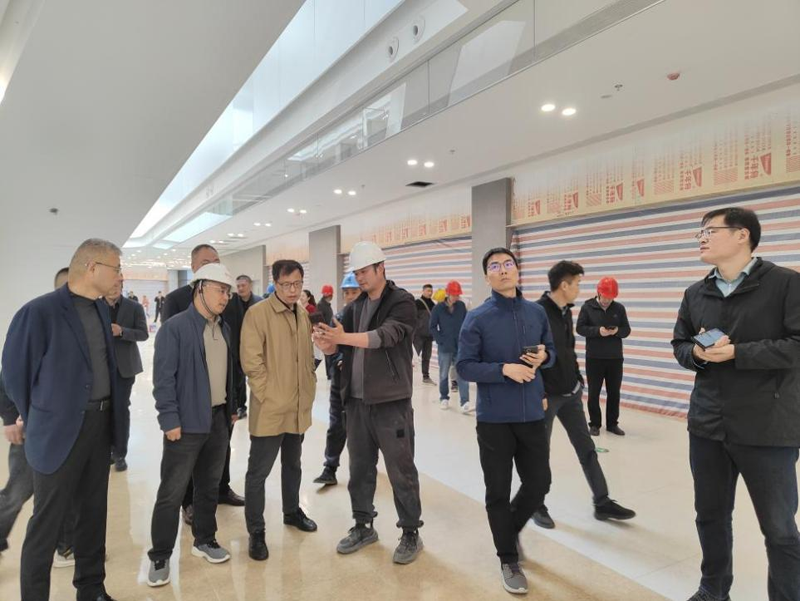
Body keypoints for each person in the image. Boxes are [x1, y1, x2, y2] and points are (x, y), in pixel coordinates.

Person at [672, 207, 800, 601]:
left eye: (710, 230)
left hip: (768, 427)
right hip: (707, 423)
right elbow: (680, 344)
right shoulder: (696, 293)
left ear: (742, 234)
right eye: (700, 232)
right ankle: (713, 590)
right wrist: (697, 354)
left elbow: (796, 345)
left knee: (779, 528)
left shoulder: (786, 284)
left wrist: (737, 353)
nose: (702, 238)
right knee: (710, 516)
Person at [2, 239, 125, 601]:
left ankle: (91, 589)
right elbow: (14, 375)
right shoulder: (39, 312)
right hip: (57, 431)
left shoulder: (101, 309)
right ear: (92, 267)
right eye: (116, 268)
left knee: (93, 514)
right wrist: (37, 415)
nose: (120, 276)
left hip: (99, 426)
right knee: (47, 522)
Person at [314, 241, 423, 565]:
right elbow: (341, 347)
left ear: (381, 268)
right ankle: (363, 526)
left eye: (364, 271)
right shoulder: (355, 307)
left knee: (401, 470)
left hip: (391, 402)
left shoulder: (401, 301)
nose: (359, 278)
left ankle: (410, 532)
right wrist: (328, 344)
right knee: (359, 469)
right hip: (357, 402)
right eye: (356, 272)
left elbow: (386, 336)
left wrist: (342, 338)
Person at [457, 247, 555, 595]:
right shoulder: (477, 318)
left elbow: (551, 351)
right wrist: (503, 370)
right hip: (494, 419)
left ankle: (507, 531)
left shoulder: (536, 312)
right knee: (497, 489)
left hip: (532, 414)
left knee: (539, 483)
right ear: (487, 276)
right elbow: (464, 366)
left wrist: (543, 356)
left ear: (517, 270)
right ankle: (508, 559)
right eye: (495, 266)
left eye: (508, 264)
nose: (503, 270)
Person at [147, 263, 238, 587]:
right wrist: (169, 419)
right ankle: (160, 555)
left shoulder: (223, 328)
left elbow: (228, 372)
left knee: (209, 486)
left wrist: (231, 408)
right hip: (184, 424)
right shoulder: (175, 328)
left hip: (218, 420)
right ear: (199, 288)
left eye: (227, 292)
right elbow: (163, 379)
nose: (225, 297)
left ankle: (205, 539)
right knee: (171, 493)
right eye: (220, 290)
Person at [532, 261, 635, 531]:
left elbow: (568, 349)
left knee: (587, 449)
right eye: (577, 283)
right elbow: (530, 356)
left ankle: (602, 502)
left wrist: (577, 379)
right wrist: (538, 392)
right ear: (564, 285)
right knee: (539, 453)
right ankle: (535, 504)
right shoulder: (537, 313)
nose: (579, 288)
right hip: (547, 396)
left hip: (570, 394)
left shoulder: (566, 311)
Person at [240, 260, 318, 561]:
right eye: (286, 285)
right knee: (258, 473)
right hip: (271, 408)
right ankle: (256, 531)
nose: (293, 290)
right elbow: (251, 362)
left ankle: (292, 511)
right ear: (275, 283)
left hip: (297, 407)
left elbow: (304, 358)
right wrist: (268, 395)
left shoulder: (302, 313)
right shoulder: (258, 313)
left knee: (293, 464)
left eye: (297, 284)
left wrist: (308, 385)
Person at [161, 244, 245, 521]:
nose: (214, 265)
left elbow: (233, 354)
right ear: (194, 268)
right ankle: (188, 503)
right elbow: (170, 364)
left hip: (222, 400)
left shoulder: (228, 301)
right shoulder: (175, 303)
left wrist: (236, 399)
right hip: (190, 401)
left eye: (217, 261)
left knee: (220, 452)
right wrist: (171, 415)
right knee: (187, 463)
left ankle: (221, 490)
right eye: (207, 262)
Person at [0, 268, 77, 568]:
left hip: (68, 429)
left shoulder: (83, 325)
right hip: (34, 429)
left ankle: (65, 547)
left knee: (65, 490)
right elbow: (8, 376)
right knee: (18, 492)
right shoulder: (38, 320)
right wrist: (10, 418)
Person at [313, 272, 362, 486]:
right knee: (336, 425)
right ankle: (330, 468)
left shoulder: (370, 320)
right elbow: (331, 350)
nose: (350, 296)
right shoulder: (338, 318)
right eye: (347, 292)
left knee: (362, 429)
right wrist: (337, 357)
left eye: (354, 292)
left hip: (363, 383)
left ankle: (363, 468)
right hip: (340, 381)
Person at [576, 276, 631, 436]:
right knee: (594, 392)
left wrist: (617, 331)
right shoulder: (587, 307)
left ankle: (612, 424)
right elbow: (580, 328)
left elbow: (626, 330)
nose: (607, 300)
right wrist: (598, 331)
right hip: (594, 358)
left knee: (614, 393)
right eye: (605, 297)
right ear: (599, 292)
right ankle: (595, 424)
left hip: (615, 358)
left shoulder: (619, 308)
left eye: (611, 297)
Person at [105, 280, 149, 471]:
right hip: (101, 367)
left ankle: (119, 453)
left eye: (117, 285)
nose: (113, 288)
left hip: (124, 368)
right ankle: (106, 450)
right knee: (102, 412)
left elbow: (143, 334)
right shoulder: (95, 305)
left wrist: (122, 331)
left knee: (120, 409)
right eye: (110, 284)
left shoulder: (134, 307)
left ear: (122, 286)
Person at [429, 280, 471, 412]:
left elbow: (466, 324)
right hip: (445, 347)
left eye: (458, 295)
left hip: (460, 346)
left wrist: (466, 340)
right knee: (443, 374)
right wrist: (440, 340)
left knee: (462, 374)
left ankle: (465, 402)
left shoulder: (461, 306)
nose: (456, 297)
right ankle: (444, 398)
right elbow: (432, 327)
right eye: (454, 295)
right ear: (448, 294)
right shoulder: (438, 308)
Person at [235, 274, 261, 419]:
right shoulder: (231, 303)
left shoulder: (260, 303)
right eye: (238, 286)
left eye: (243, 285)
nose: (240, 288)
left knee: (257, 377)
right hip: (237, 346)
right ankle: (241, 406)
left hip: (255, 346)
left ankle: (260, 406)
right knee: (238, 379)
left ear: (250, 285)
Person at [413, 284, 435, 385]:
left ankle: (426, 377)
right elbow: (412, 318)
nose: (430, 293)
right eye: (428, 291)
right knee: (413, 357)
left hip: (429, 336)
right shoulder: (417, 303)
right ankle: (406, 376)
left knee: (427, 357)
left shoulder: (433, 305)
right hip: (418, 335)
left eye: (431, 291)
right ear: (423, 291)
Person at [318, 284, 335, 380]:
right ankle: (330, 374)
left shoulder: (327, 305)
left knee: (330, 354)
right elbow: (319, 321)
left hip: (329, 332)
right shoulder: (321, 305)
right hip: (325, 332)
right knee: (328, 354)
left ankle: (330, 373)